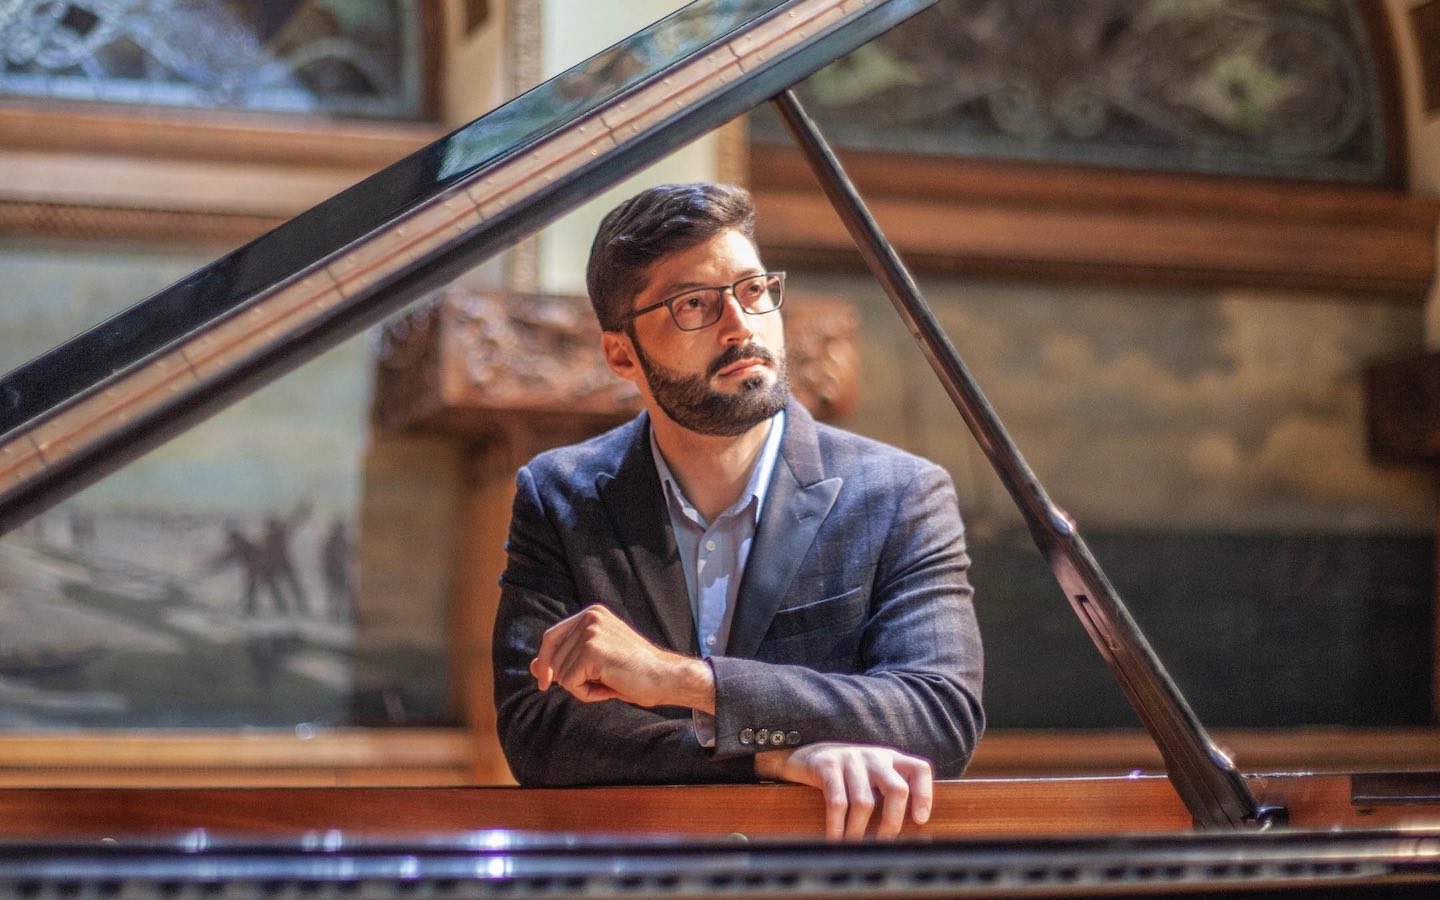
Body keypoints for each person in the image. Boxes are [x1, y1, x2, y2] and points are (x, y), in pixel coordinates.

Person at [492, 182, 983, 840]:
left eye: (753, 290)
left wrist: (680, 682)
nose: (740, 325)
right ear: (621, 353)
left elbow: (937, 715)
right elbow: (540, 734)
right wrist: (772, 758)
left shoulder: (899, 493)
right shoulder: (560, 493)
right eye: (694, 304)